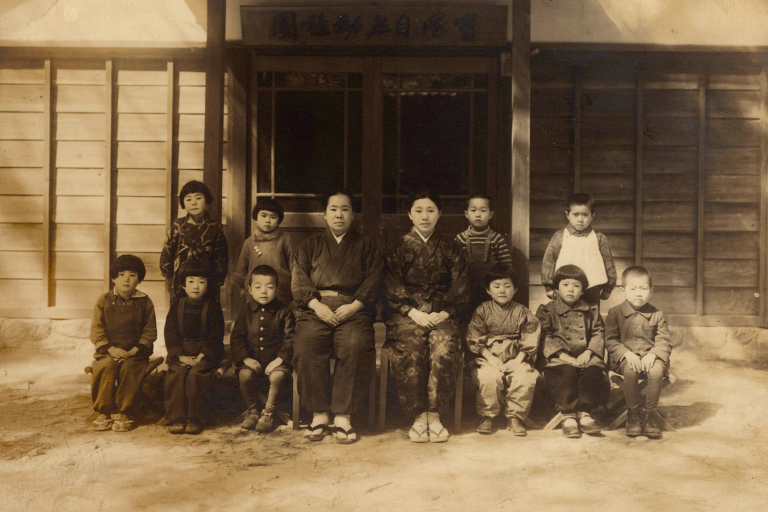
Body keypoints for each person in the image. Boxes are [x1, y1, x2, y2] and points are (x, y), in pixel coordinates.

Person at [292, 190, 383, 444]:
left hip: (353, 308)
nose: (339, 214)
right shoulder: (310, 245)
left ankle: (343, 415)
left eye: (345, 209)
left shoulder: (366, 245)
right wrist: (315, 304)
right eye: (333, 209)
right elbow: (298, 279)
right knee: (307, 342)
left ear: (353, 215)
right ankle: (319, 413)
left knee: (355, 344)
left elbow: (375, 279)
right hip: (316, 308)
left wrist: (354, 306)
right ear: (324, 214)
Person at [385, 189, 468, 443]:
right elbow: (391, 284)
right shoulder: (397, 247)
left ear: (439, 214)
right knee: (411, 347)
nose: (425, 216)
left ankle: (435, 413)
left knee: (444, 347)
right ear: (410, 215)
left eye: (430, 210)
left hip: (443, 312)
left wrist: (444, 312)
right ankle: (418, 415)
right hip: (406, 314)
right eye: (418, 210)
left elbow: (461, 284)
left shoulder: (452, 248)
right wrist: (411, 312)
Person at [536, 264, 609, 439]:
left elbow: (598, 332)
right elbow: (545, 335)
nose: (571, 289)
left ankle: (584, 413)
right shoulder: (547, 310)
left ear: (583, 291)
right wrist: (563, 356)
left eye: (576, 286)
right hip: (559, 357)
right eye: (565, 284)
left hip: (586, 356)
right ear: (556, 288)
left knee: (592, 372)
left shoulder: (591, 310)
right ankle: (567, 415)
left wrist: (589, 352)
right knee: (565, 373)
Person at [467, 264, 540, 436]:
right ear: (488, 290)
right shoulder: (482, 311)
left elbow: (530, 338)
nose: (502, 290)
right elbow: (475, 338)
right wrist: (491, 359)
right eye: (496, 286)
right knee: (488, 377)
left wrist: (517, 361)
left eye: (507, 286)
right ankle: (487, 416)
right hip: (488, 357)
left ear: (515, 289)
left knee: (525, 378)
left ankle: (515, 417)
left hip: (517, 357)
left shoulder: (523, 312)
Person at [89, 255, 157, 432]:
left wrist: (136, 349)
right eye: (121, 274)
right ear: (113, 278)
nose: (126, 279)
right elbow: (97, 330)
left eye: (132, 275)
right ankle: (103, 411)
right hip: (109, 351)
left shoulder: (145, 302)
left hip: (134, 353)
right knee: (105, 366)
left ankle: (124, 411)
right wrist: (111, 349)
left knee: (130, 368)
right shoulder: (103, 301)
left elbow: (149, 331)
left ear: (139, 279)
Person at [605, 266, 673, 439]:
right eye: (633, 288)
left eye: (643, 289)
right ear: (623, 291)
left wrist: (654, 354)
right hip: (626, 359)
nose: (638, 293)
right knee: (630, 370)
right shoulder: (615, 313)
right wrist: (626, 354)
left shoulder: (657, 314)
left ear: (651, 291)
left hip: (652, 359)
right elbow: (610, 340)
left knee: (657, 371)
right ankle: (633, 413)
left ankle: (650, 414)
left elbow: (664, 340)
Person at [230, 265, 295, 433]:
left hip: (277, 361)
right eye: (258, 287)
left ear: (276, 288)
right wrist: (246, 359)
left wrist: (280, 360)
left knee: (278, 376)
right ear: (250, 290)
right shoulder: (245, 311)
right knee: (245, 375)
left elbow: (290, 338)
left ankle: (269, 413)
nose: (264, 291)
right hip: (252, 359)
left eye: (270, 287)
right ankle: (253, 411)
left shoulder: (284, 311)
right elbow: (237, 337)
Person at [163, 260, 225, 435]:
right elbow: (170, 332)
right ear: (183, 285)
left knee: (197, 375)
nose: (196, 286)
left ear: (208, 284)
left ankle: (195, 418)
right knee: (177, 373)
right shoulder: (177, 305)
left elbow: (215, 334)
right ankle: (176, 417)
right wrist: (179, 355)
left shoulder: (213, 306)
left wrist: (202, 356)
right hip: (182, 353)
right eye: (191, 281)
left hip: (205, 355)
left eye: (201, 281)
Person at [541, 193, 616, 307]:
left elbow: (609, 263)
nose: (580, 219)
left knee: (591, 317)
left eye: (585, 215)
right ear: (567, 214)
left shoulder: (599, 237)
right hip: (565, 287)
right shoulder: (560, 236)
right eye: (575, 214)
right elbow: (549, 260)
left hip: (592, 288)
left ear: (592, 215)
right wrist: (549, 286)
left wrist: (608, 288)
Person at [160, 180, 228, 301]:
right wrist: (168, 275)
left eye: (198, 198)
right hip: (181, 278)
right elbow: (168, 252)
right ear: (183, 203)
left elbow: (221, 256)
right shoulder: (178, 225)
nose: (194, 203)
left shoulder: (214, 228)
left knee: (206, 311)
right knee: (180, 310)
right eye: (188, 199)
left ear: (207, 200)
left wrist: (218, 279)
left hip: (206, 279)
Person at [455, 193, 514, 311]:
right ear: (466, 214)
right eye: (473, 210)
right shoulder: (460, 239)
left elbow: (506, 268)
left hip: (490, 289)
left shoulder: (497, 239)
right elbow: (454, 268)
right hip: (466, 288)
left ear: (490, 214)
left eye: (483, 210)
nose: (478, 214)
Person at [232, 198, 294, 306]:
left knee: (279, 314)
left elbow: (294, 265)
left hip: (280, 287)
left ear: (279, 220)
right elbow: (242, 267)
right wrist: (242, 287)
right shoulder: (249, 242)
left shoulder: (285, 239)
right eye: (263, 215)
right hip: (255, 288)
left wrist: (294, 288)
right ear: (255, 218)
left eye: (273, 217)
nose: (268, 220)